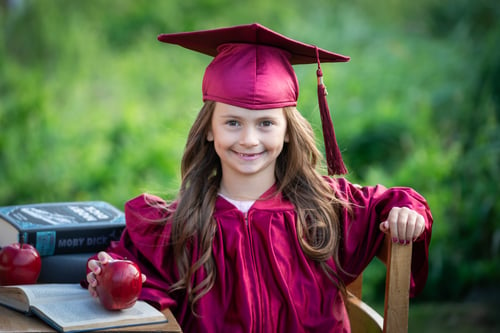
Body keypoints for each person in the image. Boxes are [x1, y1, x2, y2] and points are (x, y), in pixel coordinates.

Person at [85, 23, 432, 332]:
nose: (249, 139)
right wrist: (109, 275)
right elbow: (134, 271)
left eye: (265, 123)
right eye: (232, 122)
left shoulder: (324, 208)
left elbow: (392, 202)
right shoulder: (183, 225)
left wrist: (406, 211)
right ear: (209, 130)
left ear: (286, 132)